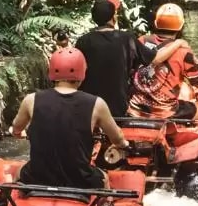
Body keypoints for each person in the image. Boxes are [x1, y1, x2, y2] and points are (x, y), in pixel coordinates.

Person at [8, 46, 129, 188]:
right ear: (83, 72)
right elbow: (117, 137)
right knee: (104, 179)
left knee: (18, 174)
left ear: (51, 72)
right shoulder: (97, 104)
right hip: (81, 179)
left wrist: (16, 132)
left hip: (37, 177)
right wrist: (124, 145)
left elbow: (17, 126)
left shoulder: (31, 99)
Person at [74, 0, 150, 114]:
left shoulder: (83, 41)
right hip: (117, 107)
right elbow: (153, 58)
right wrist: (178, 44)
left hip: (88, 106)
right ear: (113, 17)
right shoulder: (126, 38)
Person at [130, 2, 198, 120]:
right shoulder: (183, 51)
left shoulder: (142, 40)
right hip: (165, 111)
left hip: (135, 107)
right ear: (181, 26)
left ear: (155, 23)